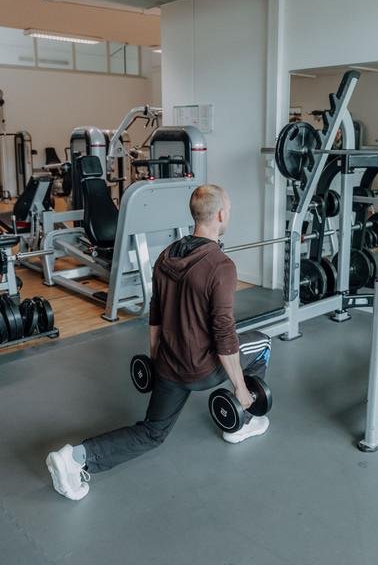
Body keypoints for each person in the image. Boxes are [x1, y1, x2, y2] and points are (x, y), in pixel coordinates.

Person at [46, 184, 271, 501]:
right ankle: (243, 423)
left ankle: (75, 457)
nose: (228, 214)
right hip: (201, 369)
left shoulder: (167, 255)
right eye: (229, 209)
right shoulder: (221, 266)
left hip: (168, 364)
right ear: (220, 214)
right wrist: (240, 389)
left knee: (152, 432)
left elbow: (155, 315)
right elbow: (224, 333)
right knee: (261, 343)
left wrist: (157, 360)